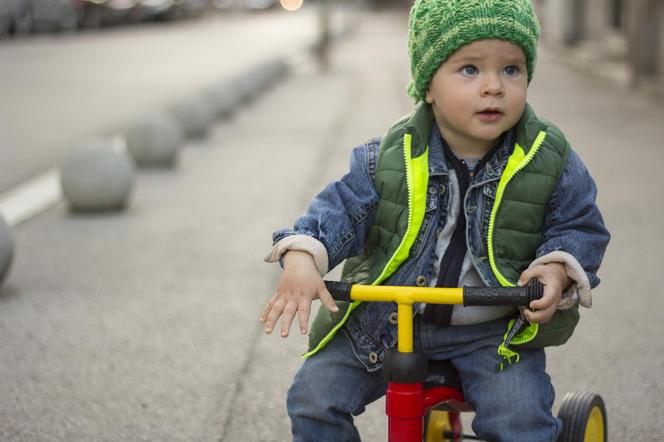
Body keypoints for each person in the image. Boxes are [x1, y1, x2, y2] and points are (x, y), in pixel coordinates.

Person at [261, 0, 610, 440]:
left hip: (490, 331)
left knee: (521, 421)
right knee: (312, 399)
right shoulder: (389, 156)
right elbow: (341, 209)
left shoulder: (547, 156)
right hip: (384, 322)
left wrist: (556, 267)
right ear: (428, 85)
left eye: (511, 70)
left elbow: (579, 224)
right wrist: (303, 255)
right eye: (469, 69)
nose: (493, 87)